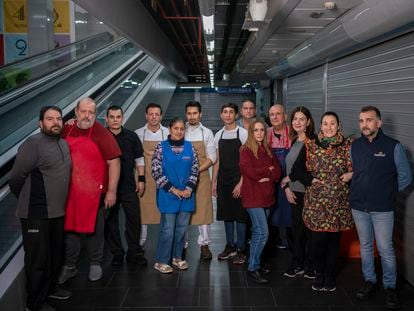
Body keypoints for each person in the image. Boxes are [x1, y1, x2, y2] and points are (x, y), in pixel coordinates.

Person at [9, 106, 72, 311]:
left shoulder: (63, 143)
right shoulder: (33, 144)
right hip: (36, 213)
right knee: (38, 261)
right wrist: (29, 199)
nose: (55, 122)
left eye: (58, 118)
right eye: (49, 119)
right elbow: (16, 177)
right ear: (40, 123)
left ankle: (50, 289)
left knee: (55, 257)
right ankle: (34, 304)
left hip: (57, 212)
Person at [350, 106, 412, 309]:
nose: (364, 124)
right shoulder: (355, 146)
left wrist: (388, 195)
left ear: (379, 123)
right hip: (359, 206)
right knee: (366, 246)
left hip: (383, 209)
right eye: (361, 121)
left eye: (369, 120)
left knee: (385, 249)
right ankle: (369, 281)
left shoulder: (393, 146)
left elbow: (405, 176)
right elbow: (356, 173)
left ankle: (390, 287)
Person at [59, 97, 121, 283]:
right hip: (69, 194)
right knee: (70, 231)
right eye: (83, 112)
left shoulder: (102, 133)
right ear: (76, 112)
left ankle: (95, 263)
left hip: (96, 194)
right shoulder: (65, 129)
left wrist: (112, 191)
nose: (87, 116)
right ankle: (70, 266)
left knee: (96, 230)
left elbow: (114, 162)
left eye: (91, 113)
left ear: (95, 114)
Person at [290, 111, 354, 292]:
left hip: (338, 204)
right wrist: (311, 180)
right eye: (325, 123)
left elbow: (362, 168)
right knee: (318, 242)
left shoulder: (348, 145)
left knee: (334, 242)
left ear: (339, 125)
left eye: (332, 123)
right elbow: (296, 171)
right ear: (320, 126)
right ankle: (319, 273)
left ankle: (330, 276)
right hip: (316, 204)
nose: (328, 127)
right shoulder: (310, 145)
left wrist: (352, 174)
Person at [151, 117, 199, 273]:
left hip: (187, 195)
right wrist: (174, 189)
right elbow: (156, 172)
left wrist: (189, 189)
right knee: (168, 229)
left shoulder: (190, 147)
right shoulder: (161, 147)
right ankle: (161, 261)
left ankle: (177, 257)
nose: (179, 131)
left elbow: (195, 169)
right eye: (176, 128)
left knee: (181, 229)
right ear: (170, 130)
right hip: (168, 194)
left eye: (181, 129)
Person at [104, 105, 147, 266]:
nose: (115, 120)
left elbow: (139, 158)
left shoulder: (131, 136)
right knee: (110, 222)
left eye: (118, 117)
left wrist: (141, 178)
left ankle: (133, 252)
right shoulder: (101, 137)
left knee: (134, 220)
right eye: (112, 117)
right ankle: (117, 253)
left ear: (122, 118)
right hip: (109, 188)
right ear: (107, 119)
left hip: (129, 186)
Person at [239, 119, 281, 284]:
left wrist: (268, 175)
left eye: (261, 130)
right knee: (263, 232)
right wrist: (266, 170)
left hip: (266, 196)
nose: (259, 133)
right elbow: (250, 172)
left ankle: (255, 262)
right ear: (251, 132)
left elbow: (277, 172)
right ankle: (253, 267)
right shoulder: (246, 150)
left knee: (258, 232)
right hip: (253, 197)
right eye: (255, 130)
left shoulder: (268, 149)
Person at [280, 106, 316, 279]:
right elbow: (288, 169)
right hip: (293, 193)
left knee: (310, 232)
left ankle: (311, 266)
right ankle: (297, 263)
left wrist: (289, 180)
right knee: (297, 231)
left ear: (308, 122)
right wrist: (287, 188)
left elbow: (310, 171)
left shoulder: (314, 142)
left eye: (302, 119)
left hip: (308, 193)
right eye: (295, 119)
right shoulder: (294, 141)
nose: (298, 122)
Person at [213, 103, 248, 264]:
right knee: (227, 214)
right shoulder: (218, 135)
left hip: (239, 180)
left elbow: (247, 161)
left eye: (231, 112)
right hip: (223, 180)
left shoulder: (243, 134)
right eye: (225, 112)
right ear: (221, 115)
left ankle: (241, 249)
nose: (228, 115)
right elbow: (217, 161)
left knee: (240, 216)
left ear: (236, 115)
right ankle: (230, 246)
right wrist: (214, 182)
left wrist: (241, 183)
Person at [185, 101, 216, 260]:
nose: (192, 116)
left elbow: (212, 157)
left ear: (200, 114)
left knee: (203, 211)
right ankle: (181, 244)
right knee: (182, 211)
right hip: (182, 177)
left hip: (202, 177)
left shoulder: (207, 133)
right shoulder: (179, 131)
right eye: (189, 113)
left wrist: (195, 170)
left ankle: (204, 245)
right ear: (186, 115)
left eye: (195, 113)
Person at [136, 103, 169, 249]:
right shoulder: (138, 133)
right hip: (144, 177)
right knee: (143, 211)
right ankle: (141, 243)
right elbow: (137, 158)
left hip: (164, 178)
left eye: (157, 114)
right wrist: (139, 178)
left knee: (166, 210)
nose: (154, 117)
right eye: (151, 114)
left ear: (161, 116)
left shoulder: (168, 133)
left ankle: (166, 243)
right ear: (146, 115)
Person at [266, 104, 292, 251]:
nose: (275, 117)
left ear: (285, 116)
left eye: (278, 114)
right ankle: (273, 241)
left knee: (289, 212)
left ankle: (290, 242)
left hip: (289, 180)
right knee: (272, 211)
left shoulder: (293, 133)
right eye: (272, 115)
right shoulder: (266, 133)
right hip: (271, 180)